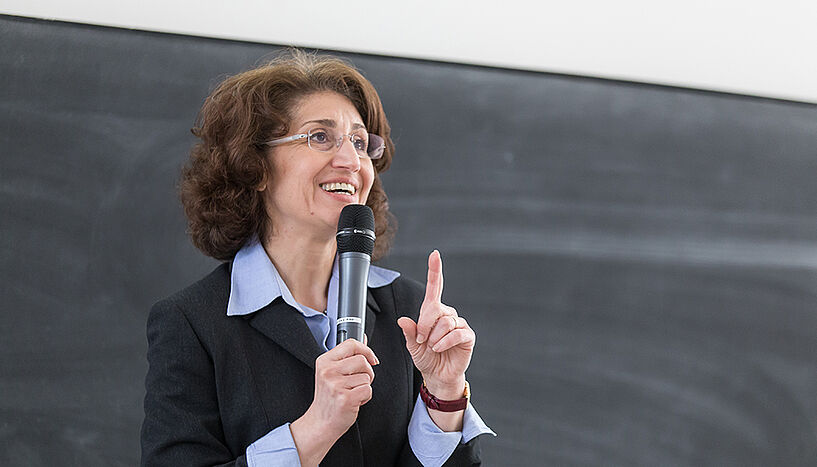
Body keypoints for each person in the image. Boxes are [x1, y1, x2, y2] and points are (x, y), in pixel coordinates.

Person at [141, 50, 494, 467]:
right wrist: (316, 427)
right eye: (320, 137)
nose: (351, 161)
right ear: (255, 166)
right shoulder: (192, 323)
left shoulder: (407, 310)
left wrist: (444, 392)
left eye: (360, 143)